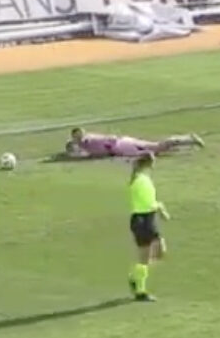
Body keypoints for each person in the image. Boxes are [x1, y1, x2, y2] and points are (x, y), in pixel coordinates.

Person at [127, 154, 170, 302]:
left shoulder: (141, 178)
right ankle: (140, 291)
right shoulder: (141, 181)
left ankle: (135, 276)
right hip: (142, 220)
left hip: (147, 219)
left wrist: (159, 207)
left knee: (159, 251)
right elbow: (148, 203)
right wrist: (160, 208)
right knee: (146, 256)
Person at [67, 128, 203, 159]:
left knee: (157, 148)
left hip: (122, 147)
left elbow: (109, 140)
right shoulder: (85, 142)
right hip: (124, 143)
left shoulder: (87, 141)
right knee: (157, 147)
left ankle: (188, 139)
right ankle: (188, 139)